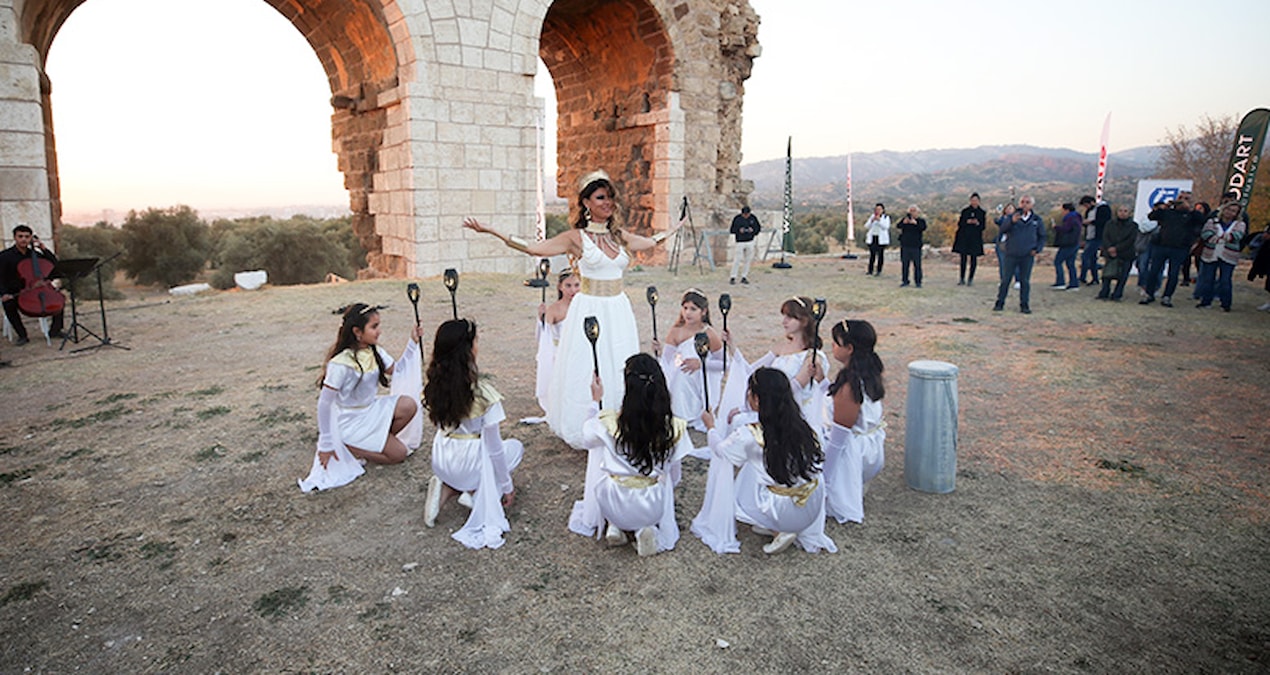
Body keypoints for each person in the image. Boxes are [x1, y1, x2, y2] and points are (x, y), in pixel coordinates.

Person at [462, 170, 682, 448]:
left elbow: (650, 242)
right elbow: (534, 248)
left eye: (611, 198)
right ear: (587, 202)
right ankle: (587, 424)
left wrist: (675, 228)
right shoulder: (576, 238)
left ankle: (622, 422)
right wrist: (492, 231)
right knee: (588, 365)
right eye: (601, 197)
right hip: (589, 309)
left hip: (618, 310)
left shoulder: (619, 236)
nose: (608, 203)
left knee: (619, 363)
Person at [692, 367, 836, 555]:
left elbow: (721, 451)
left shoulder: (749, 435)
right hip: (812, 505)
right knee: (762, 463)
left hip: (783, 511)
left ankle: (779, 529)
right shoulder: (806, 425)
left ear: (757, 400)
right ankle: (772, 523)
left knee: (748, 473)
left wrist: (710, 426)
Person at [570, 354, 694, 556]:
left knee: (604, 468)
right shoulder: (674, 428)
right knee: (661, 483)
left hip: (613, 499)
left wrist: (595, 401)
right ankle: (645, 528)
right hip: (651, 503)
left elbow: (586, 438)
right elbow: (675, 475)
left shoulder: (609, 423)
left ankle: (615, 525)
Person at [298, 303, 423, 492]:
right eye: (374, 327)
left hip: (370, 410)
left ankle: (378, 440)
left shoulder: (374, 351)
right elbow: (325, 403)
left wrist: (412, 343)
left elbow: (398, 370)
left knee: (408, 405)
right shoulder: (341, 363)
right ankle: (350, 448)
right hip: (350, 420)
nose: (379, 331)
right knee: (399, 454)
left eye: (378, 325)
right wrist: (326, 442)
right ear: (357, 331)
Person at [422, 318, 524, 549]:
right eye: (476, 341)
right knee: (514, 448)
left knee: (480, 462)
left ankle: (449, 489)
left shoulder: (433, 385)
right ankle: (476, 493)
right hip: (470, 461)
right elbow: (495, 448)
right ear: (468, 349)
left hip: (442, 456)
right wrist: (507, 486)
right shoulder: (483, 394)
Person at [719, 296, 829, 430]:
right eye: (784, 316)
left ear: (804, 321)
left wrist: (760, 407)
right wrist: (732, 346)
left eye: (790, 317)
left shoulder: (812, 357)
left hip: (793, 413)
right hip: (772, 405)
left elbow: (793, 389)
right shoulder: (780, 348)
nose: (784, 321)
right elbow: (752, 371)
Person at [822, 318, 886, 524]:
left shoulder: (850, 387)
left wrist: (824, 482)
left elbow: (838, 439)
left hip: (853, 453)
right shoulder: (867, 374)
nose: (831, 345)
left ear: (849, 348)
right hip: (870, 449)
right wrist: (821, 382)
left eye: (835, 342)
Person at [652, 289, 724, 431]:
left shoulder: (709, 333)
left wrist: (701, 364)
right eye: (685, 308)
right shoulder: (676, 331)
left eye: (693, 309)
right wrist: (658, 352)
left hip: (702, 377)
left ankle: (696, 412)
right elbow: (666, 362)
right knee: (680, 376)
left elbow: (724, 364)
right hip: (680, 374)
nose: (688, 313)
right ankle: (678, 412)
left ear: (703, 312)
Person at [0, 224, 66, 345]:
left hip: (37, 289)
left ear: (31, 238)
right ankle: (22, 335)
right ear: (15, 237)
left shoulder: (35, 254)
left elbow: (53, 264)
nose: (24, 239)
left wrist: (43, 248)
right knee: (8, 304)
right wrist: (3, 293)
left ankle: (55, 331)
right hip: (16, 291)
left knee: (58, 298)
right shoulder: (4, 256)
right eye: (20, 236)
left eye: (27, 236)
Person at [534, 271, 580, 416]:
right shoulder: (555, 309)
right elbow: (544, 334)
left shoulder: (583, 306)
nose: (573, 290)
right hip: (561, 352)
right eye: (568, 286)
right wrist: (541, 318)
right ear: (560, 287)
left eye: (576, 285)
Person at [1142, 192, 1196, 307]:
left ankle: (1167, 296)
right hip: (1161, 246)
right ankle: (1149, 294)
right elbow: (1152, 216)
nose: (1183, 201)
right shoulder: (1167, 212)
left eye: (1186, 199)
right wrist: (1166, 206)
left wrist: (1190, 208)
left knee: (1173, 273)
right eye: (1181, 198)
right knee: (1153, 271)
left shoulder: (1192, 215)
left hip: (1179, 248)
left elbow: (1201, 220)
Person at [994, 195, 1045, 314]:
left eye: (1027, 202)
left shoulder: (1036, 220)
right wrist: (1011, 222)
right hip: (1011, 253)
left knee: (1025, 281)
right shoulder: (1012, 217)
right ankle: (1000, 302)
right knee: (1006, 280)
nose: (1024, 204)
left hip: (1027, 254)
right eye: (1022, 202)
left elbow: (1042, 236)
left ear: (1032, 205)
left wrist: (1037, 249)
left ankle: (1024, 305)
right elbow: (1002, 230)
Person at [1194, 202, 1246, 312]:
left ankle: (1225, 303)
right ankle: (1206, 301)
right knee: (1208, 279)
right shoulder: (1212, 221)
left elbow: (1237, 236)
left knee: (1225, 280)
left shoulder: (1239, 224)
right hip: (1211, 253)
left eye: (1233, 211)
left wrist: (1219, 237)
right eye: (1228, 209)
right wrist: (1223, 238)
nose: (1229, 213)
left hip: (1229, 254)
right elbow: (1205, 234)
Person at [1096, 205, 1138, 301]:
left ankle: (1117, 294)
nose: (1122, 213)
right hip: (1110, 253)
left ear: (1130, 213)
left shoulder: (1133, 226)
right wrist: (1110, 248)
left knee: (1123, 276)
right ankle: (1104, 292)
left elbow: (1130, 240)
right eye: (1120, 211)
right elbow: (1105, 236)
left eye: (1125, 211)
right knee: (1107, 275)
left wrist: (1117, 249)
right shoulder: (1110, 224)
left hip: (1126, 253)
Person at [953, 193, 986, 286]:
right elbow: (960, 223)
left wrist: (977, 223)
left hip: (975, 239)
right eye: (972, 200)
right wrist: (967, 221)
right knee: (963, 259)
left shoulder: (982, 212)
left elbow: (983, 226)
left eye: (976, 200)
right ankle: (962, 278)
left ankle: (970, 278)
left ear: (979, 201)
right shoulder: (965, 211)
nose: (974, 202)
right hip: (964, 237)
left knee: (973, 259)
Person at [1078, 195, 1111, 286]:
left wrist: (1091, 222)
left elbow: (1104, 222)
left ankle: (1082, 277)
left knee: (1085, 256)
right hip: (1090, 236)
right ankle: (1095, 278)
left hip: (1098, 237)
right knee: (1092, 258)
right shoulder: (1089, 211)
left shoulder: (1103, 209)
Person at [1050, 202, 1081, 291]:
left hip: (1068, 244)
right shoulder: (1077, 217)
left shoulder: (1070, 218)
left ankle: (1061, 282)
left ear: (1067, 210)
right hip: (1075, 243)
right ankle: (1074, 284)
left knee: (1058, 262)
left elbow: (1066, 229)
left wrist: (1056, 228)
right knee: (1070, 264)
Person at [729, 206, 761, 285]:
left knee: (748, 259)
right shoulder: (737, 219)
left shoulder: (753, 218)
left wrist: (752, 231)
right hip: (740, 242)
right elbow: (732, 230)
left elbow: (758, 228)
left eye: (747, 214)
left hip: (750, 241)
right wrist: (739, 230)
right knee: (737, 259)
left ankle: (744, 276)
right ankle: (733, 276)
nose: (746, 216)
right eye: (745, 214)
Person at [896, 205, 926, 288]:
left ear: (917, 212)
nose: (912, 213)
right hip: (905, 245)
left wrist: (915, 223)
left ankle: (918, 281)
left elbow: (923, 228)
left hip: (916, 246)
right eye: (911, 211)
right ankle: (905, 281)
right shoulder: (905, 220)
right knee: (905, 264)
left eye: (914, 211)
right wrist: (904, 223)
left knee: (917, 265)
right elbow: (898, 226)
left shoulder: (921, 221)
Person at [864, 203, 890, 276]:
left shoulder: (886, 217)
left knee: (880, 255)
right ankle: (870, 270)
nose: (878, 211)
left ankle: (879, 270)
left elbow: (886, 227)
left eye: (879, 209)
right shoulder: (872, 216)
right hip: (873, 238)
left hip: (881, 239)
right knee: (872, 255)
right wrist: (872, 221)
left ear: (883, 210)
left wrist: (879, 221)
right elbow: (866, 226)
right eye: (876, 209)